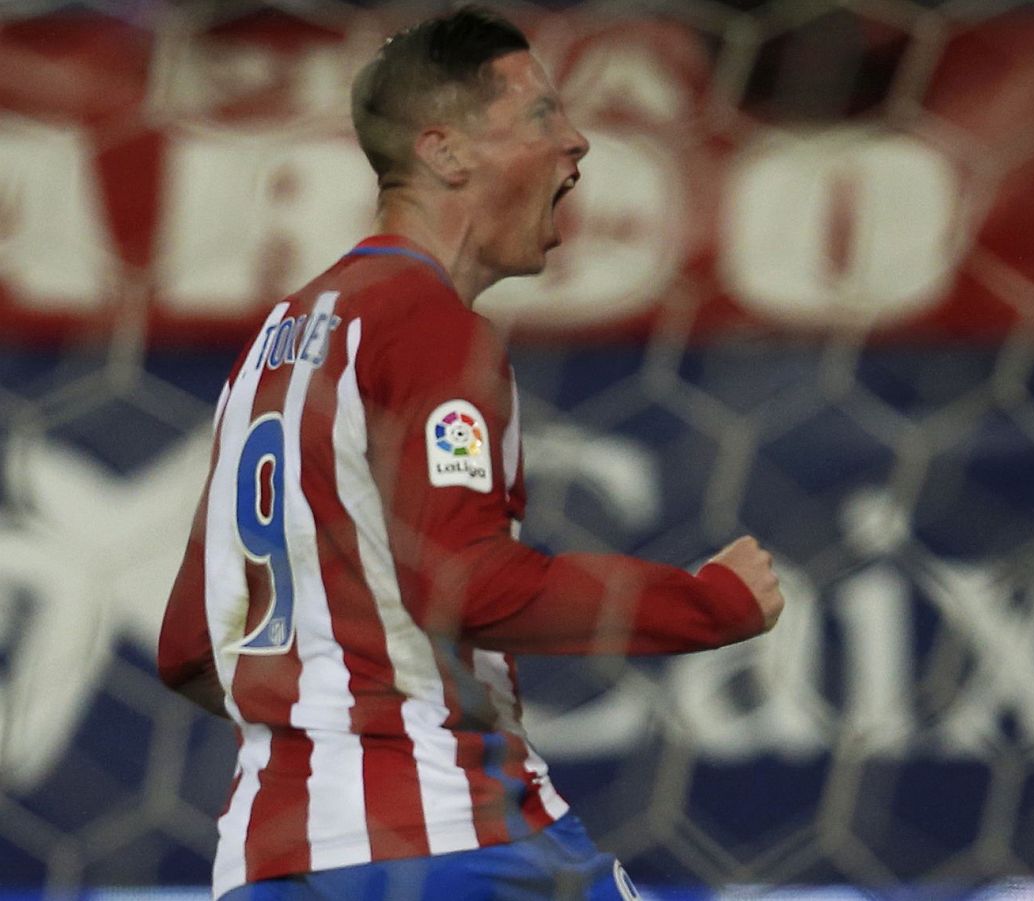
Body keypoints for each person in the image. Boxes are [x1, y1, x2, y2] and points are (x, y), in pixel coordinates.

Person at [155, 8, 785, 900]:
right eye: (540, 117)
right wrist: (708, 604)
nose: (577, 142)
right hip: (459, 845)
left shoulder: (274, 342)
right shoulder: (431, 325)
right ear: (445, 153)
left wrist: (328, 705)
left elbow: (188, 644)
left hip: (269, 862)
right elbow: (468, 585)